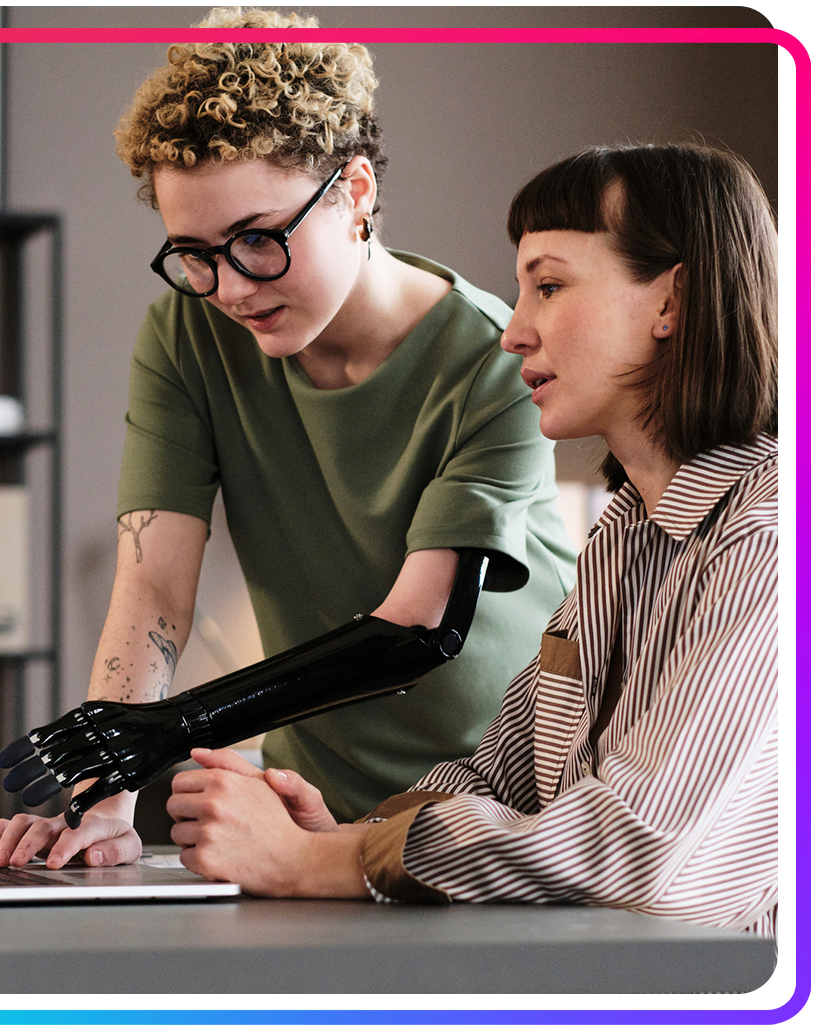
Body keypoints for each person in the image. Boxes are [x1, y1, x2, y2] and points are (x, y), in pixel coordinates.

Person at [0, 7, 576, 870]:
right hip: (309, 814)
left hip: (495, 817)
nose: (228, 286)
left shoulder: (498, 358)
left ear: (356, 193)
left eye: (259, 239)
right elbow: (152, 583)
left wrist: (170, 728)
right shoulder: (186, 338)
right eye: (194, 253)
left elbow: (419, 629)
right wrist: (105, 797)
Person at [166, 142, 780, 944]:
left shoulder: (772, 539)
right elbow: (506, 777)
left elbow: (635, 844)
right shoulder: (623, 536)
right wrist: (339, 839)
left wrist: (313, 865)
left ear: (673, 301)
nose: (513, 333)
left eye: (551, 286)